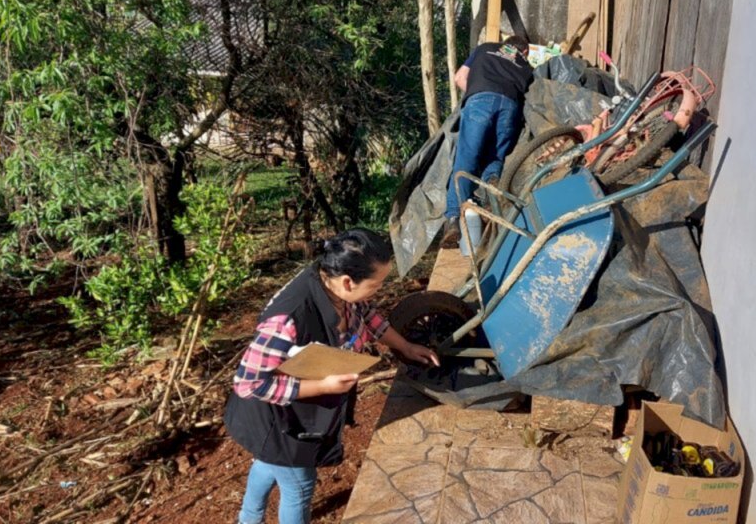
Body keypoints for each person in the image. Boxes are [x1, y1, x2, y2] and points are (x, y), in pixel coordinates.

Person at [224, 228, 439, 524]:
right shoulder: (288, 318)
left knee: (268, 460)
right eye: (376, 285)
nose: (379, 290)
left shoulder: (336, 286)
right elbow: (249, 383)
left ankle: (248, 519)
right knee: (299, 486)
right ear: (349, 282)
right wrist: (322, 385)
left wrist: (405, 346)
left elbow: (367, 314)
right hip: (275, 417)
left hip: (289, 417)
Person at [441, 35, 534, 248]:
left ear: (505, 44)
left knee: (466, 159)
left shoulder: (485, 48)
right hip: (509, 107)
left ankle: (454, 218)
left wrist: (477, 92)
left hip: (480, 100)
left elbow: (459, 78)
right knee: (495, 158)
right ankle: (492, 193)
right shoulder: (525, 65)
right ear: (524, 52)